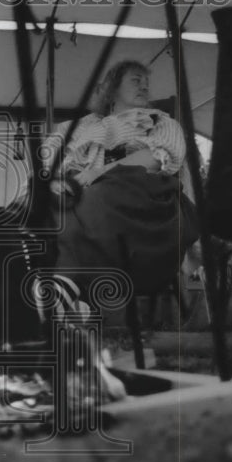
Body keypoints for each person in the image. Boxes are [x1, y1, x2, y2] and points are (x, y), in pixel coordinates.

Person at [43, 60, 199, 311]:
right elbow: (50, 156)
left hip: (148, 201)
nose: (144, 87)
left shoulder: (161, 122)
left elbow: (158, 158)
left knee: (100, 195)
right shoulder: (84, 126)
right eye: (136, 80)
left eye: (146, 83)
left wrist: (98, 171)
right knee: (41, 205)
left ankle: (66, 289)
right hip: (87, 195)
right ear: (112, 88)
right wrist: (56, 181)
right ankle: (60, 293)